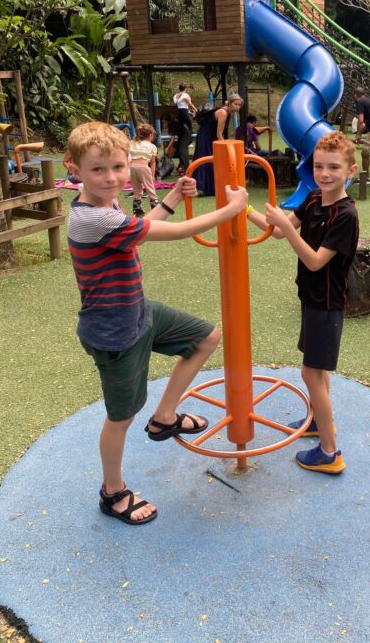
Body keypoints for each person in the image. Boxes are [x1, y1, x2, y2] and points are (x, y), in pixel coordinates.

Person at [65, 121, 248, 525]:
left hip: (138, 309)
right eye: (98, 170)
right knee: (121, 418)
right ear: (74, 168)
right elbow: (179, 232)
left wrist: (171, 198)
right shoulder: (91, 219)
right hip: (114, 332)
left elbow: (142, 232)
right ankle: (112, 492)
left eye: (117, 166)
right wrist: (230, 210)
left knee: (205, 337)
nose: (111, 178)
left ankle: (165, 416)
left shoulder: (104, 202)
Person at [247, 131, 359, 474]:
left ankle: (330, 451)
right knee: (317, 370)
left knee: (311, 372)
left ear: (351, 171)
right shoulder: (313, 199)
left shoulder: (345, 215)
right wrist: (245, 209)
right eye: (319, 166)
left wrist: (286, 225)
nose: (324, 174)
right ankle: (316, 420)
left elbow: (313, 260)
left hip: (327, 304)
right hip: (310, 299)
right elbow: (279, 230)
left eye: (333, 168)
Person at [193, 93, 243, 195]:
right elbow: (219, 133)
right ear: (229, 103)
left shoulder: (229, 113)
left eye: (239, 105)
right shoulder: (223, 113)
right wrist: (226, 147)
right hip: (205, 136)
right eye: (235, 104)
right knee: (206, 159)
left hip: (211, 136)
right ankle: (202, 187)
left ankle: (210, 187)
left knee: (212, 159)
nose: (237, 107)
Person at [129, 123, 158, 217]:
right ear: (150, 135)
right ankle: (156, 209)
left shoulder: (132, 143)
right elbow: (153, 162)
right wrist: (152, 175)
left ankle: (138, 211)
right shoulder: (152, 146)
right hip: (143, 167)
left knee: (137, 190)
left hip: (132, 168)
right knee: (150, 189)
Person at [173, 83, 198, 175]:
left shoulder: (176, 95)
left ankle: (186, 140)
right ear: (185, 89)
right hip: (184, 113)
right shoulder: (186, 95)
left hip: (179, 113)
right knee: (190, 127)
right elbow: (189, 103)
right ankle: (189, 140)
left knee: (182, 129)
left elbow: (177, 103)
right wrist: (196, 110)